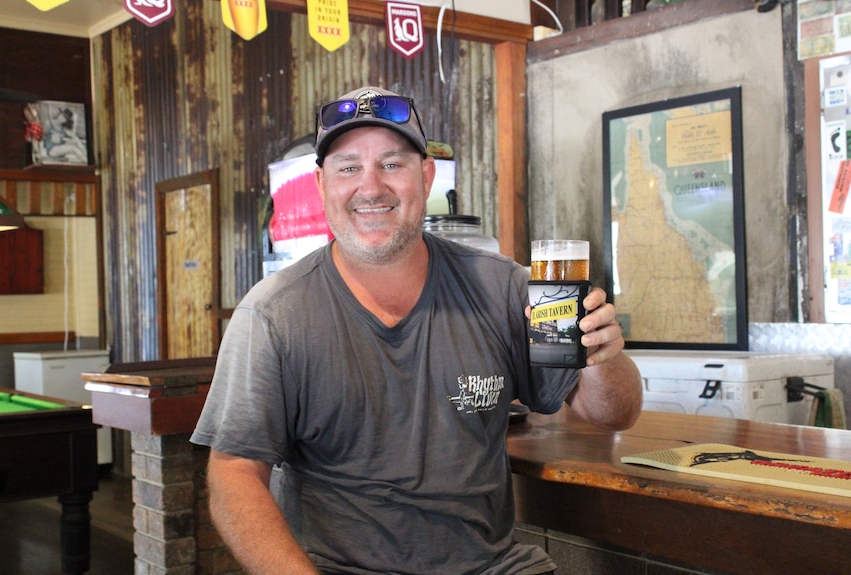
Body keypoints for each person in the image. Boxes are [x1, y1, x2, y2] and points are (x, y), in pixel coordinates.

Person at [190, 86, 643, 575]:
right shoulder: (273, 315)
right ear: (321, 184)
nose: (371, 187)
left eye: (391, 164)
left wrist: (603, 354)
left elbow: (613, 415)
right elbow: (234, 471)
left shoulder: (502, 286)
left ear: (425, 176)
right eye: (348, 168)